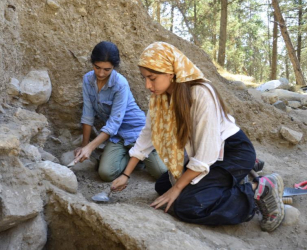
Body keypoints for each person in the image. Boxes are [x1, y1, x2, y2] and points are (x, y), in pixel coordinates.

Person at [111, 42, 285, 232]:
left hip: (231, 152)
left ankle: (260, 188)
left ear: (170, 72)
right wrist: (125, 174)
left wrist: (177, 189)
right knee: (163, 186)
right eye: (145, 78)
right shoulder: (159, 98)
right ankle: (233, 180)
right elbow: (147, 135)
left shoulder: (201, 93)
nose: (147, 85)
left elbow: (205, 154)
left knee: (188, 206)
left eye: (152, 78)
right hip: (208, 155)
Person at [73, 41, 167, 182]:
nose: (101, 73)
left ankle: (151, 149)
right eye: (97, 67)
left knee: (161, 173)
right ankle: (134, 158)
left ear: (114, 67)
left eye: (107, 69)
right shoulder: (88, 80)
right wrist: (84, 146)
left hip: (138, 131)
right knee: (106, 173)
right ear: (92, 62)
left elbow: (113, 123)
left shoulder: (120, 84)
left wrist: (91, 148)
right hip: (117, 136)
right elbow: (87, 115)